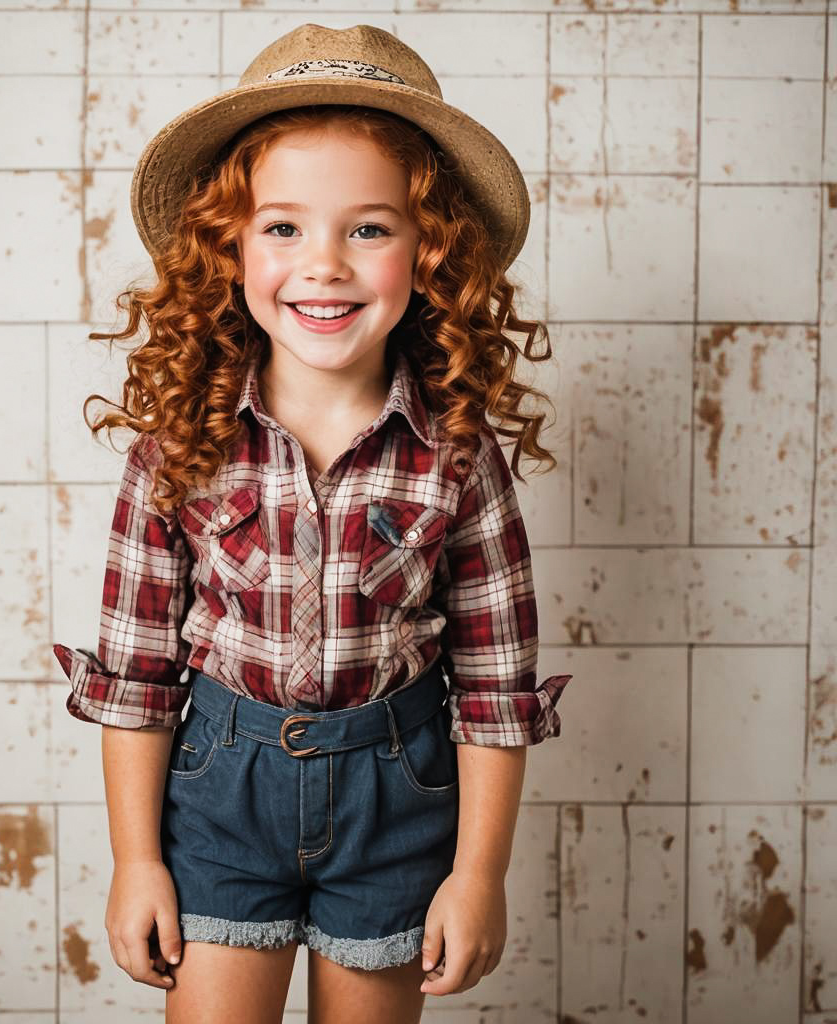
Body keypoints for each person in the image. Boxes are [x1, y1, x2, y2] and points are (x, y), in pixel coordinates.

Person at [52, 22, 574, 1024]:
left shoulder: (458, 453)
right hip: (217, 798)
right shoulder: (179, 444)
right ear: (230, 245)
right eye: (283, 227)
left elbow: (496, 690)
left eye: (368, 228)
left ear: (429, 250)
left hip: (397, 798)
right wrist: (133, 861)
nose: (323, 264)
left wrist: (478, 874)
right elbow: (136, 675)